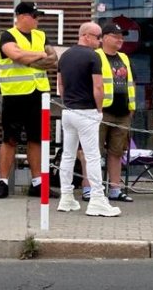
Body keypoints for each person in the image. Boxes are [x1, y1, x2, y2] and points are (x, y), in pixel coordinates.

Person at [0, 2, 58, 199]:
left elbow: (53, 58)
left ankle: (37, 183)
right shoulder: (7, 35)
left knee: (36, 139)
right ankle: (3, 182)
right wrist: (39, 55)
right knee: (9, 139)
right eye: (35, 16)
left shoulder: (41, 35)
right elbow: (15, 54)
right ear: (21, 16)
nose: (38, 19)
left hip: (39, 94)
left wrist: (30, 57)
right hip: (15, 94)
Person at [56, 22, 120, 217]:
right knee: (93, 156)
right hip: (87, 111)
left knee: (68, 155)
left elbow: (60, 84)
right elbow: (98, 87)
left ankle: (66, 197)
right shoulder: (93, 56)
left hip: (68, 111)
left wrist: (67, 102)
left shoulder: (65, 55)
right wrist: (99, 109)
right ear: (86, 36)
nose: (100, 41)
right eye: (98, 36)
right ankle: (97, 199)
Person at [81, 22, 135, 203]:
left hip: (122, 111)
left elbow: (130, 82)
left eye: (122, 36)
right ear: (103, 38)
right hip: (101, 111)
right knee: (93, 151)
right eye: (115, 36)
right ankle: (89, 188)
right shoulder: (94, 56)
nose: (120, 39)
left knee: (116, 152)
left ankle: (114, 189)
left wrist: (132, 107)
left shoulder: (124, 58)